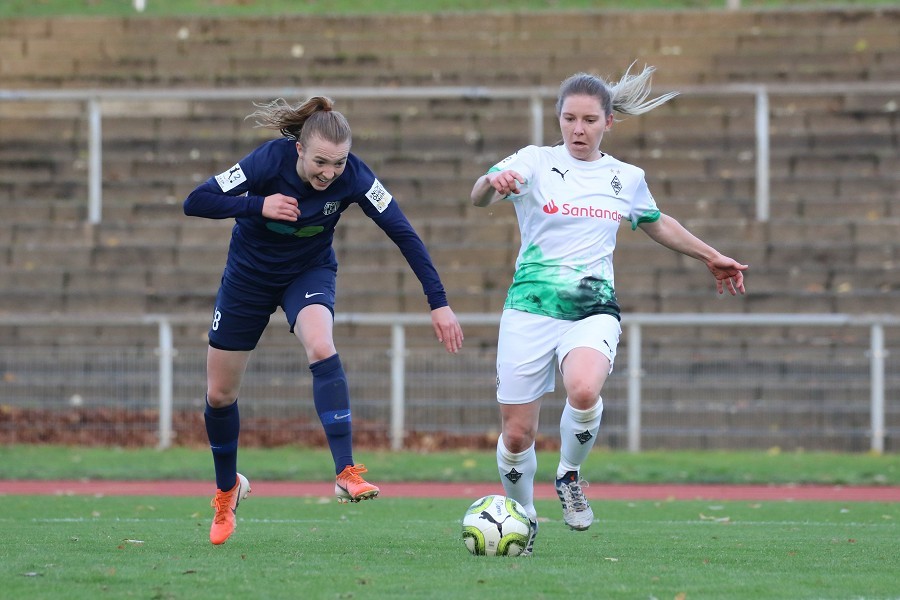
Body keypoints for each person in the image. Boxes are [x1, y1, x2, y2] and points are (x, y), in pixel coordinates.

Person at [470, 65, 747, 555]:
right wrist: (497, 182)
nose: (579, 129)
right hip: (529, 310)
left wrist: (710, 255)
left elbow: (657, 223)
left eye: (590, 120)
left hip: (593, 308)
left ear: (608, 122)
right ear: (558, 119)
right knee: (516, 436)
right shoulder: (534, 161)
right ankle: (523, 518)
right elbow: (478, 195)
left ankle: (569, 475)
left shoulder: (626, 177)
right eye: (570, 119)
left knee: (583, 389)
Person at [184, 96, 464, 545]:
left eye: (338, 162)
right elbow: (195, 200)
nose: (329, 173)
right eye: (320, 162)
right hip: (248, 279)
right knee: (219, 395)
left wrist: (439, 301)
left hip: (307, 273)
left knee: (321, 344)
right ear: (299, 150)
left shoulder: (355, 176)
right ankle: (227, 489)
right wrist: (257, 205)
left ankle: (345, 471)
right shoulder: (266, 160)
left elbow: (403, 232)